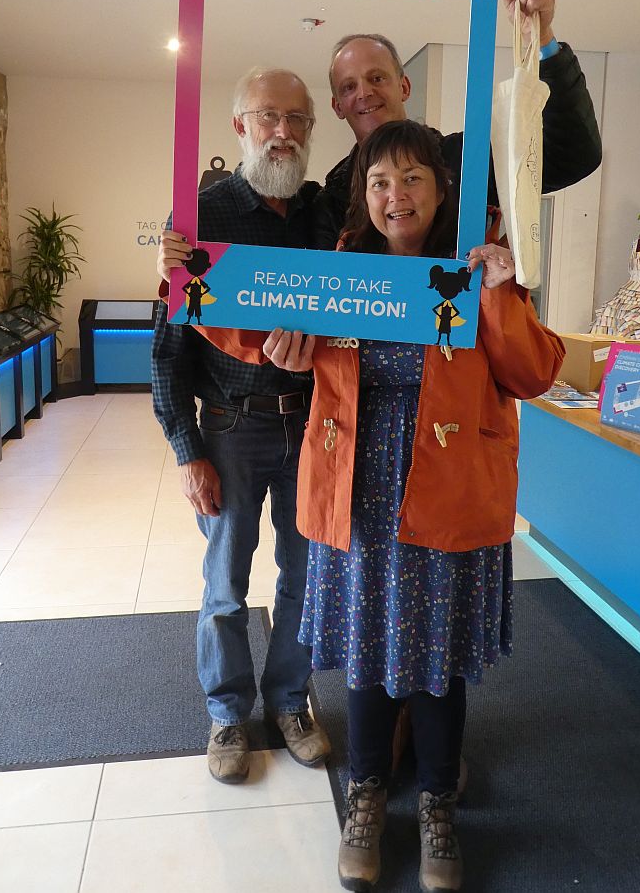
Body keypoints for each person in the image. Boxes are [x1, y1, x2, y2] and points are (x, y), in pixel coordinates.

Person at [195, 120, 565, 891]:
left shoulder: (475, 271)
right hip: (358, 494)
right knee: (366, 654)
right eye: (379, 181)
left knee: (436, 663)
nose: (396, 195)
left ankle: (437, 802)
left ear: (441, 189)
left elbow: (533, 372)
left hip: (447, 493)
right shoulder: (340, 274)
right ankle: (365, 794)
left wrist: (501, 294)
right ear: (364, 196)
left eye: (413, 178)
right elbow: (241, 317)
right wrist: (185, 274)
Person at [151, 67, 331, 784]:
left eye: (297, 119)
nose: (283, 132)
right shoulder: (198, 218)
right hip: (230, 430)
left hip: (314, 429)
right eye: (267, 117)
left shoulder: (325, 215)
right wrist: (186, 447)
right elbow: (169, 348)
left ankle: (289, 702)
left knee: (304, 576)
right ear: (240, 126)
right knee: (225, 582)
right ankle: (227, 712)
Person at [313, 0, 603, 250]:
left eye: (377, 78)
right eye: (349, 87)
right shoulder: (329, 203)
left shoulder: (467, 161)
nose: (365, 92)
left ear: (404, 87)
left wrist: (541, 39)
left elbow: (573, 156)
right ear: (337, 106)